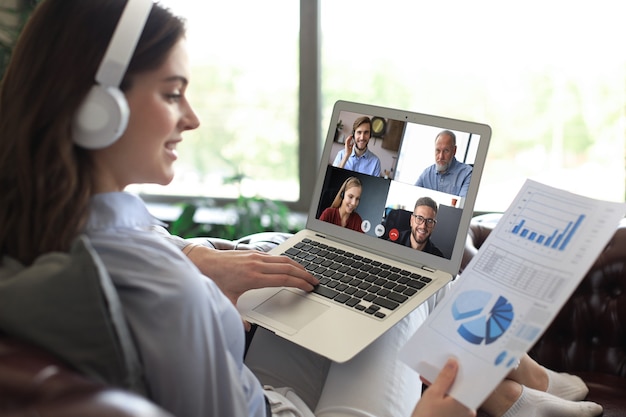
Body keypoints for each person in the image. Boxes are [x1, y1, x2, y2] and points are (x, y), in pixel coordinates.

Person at [0, 1, 603, 417]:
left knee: (388, 279)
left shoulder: (51, 219)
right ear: (98, 107)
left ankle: (523, 391)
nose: (191, 119)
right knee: (413, 287)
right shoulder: (162, 288)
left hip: (253, 382)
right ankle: (521, 390)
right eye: (172, 93)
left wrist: (203, 265)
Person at [415, 130, 473, 197]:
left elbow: (463, 205)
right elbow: (412, 196)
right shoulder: (427, 173)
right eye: (438, 150)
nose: (441, 157)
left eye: (446, 151)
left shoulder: (467, 174)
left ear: (454, 151)